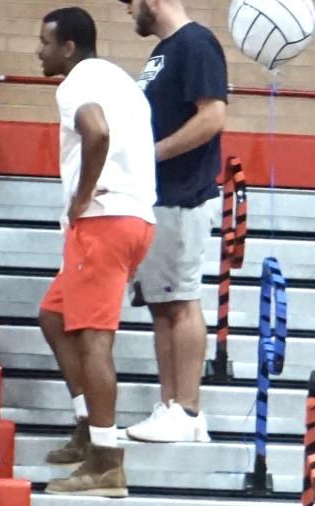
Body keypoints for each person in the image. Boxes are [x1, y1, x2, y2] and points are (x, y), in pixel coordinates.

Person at [34, 7, 157, 497]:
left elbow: (97, 131)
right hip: (135, 218)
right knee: (53, 317)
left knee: (93, 338)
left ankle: (106, 463)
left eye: (44, 42)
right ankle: (89, 426)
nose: (38, 51)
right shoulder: (120, 79)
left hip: (104, 221)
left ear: (68, 47)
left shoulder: (77, 83)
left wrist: (82, 196)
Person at [122, 0, 226, 447]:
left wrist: (154, 154)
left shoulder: (196, 43)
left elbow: (213, 116)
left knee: (181, 300)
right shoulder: (165, 50)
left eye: (130, 3)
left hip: (183, 196)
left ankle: (186, 408)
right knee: (164, 306)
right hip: (160, 196)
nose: (129, 11)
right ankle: (171, 406)